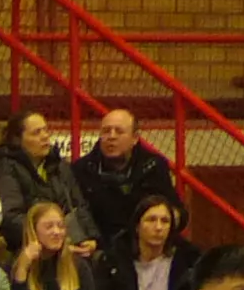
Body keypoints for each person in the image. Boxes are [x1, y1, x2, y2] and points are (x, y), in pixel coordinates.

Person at [70, 108, 177, 267]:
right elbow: (79, 214)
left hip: (147, 249)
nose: (111, 137)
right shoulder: (81, 169)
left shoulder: (154, 167)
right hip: (99, 251)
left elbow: (176, 211)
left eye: (119, 131)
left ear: (135, 138)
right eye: (106, 131)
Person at [0, 110, 90, 258]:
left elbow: (80, 206)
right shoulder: (6, 167)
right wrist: (53, 238)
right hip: (26, 249)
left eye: (46, 130)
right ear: (17, 140)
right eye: (36, 133)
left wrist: (90, 238)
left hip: (65, 242)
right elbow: (10, 218)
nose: (45, 136)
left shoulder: (60, 166)